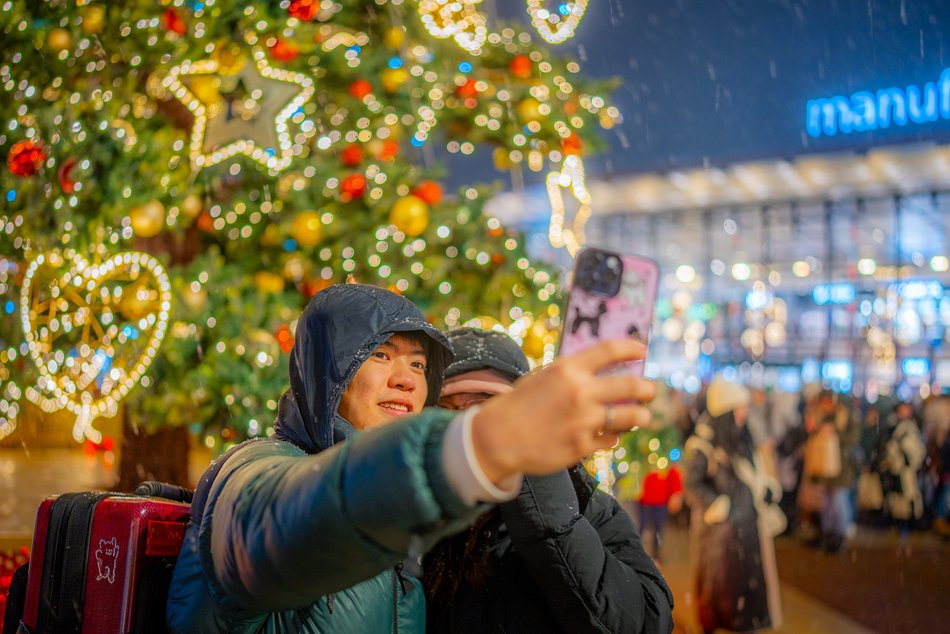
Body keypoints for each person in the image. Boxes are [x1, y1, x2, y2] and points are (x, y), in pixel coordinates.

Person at [167, 285, 655, 633]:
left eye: (418, 364)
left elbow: (641, 617)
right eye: (380, 354)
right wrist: (478, 447)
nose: (405, 378)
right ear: (327, 371)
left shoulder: (574, 503)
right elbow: (278, 526)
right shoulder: (258, 466)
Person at [423, 327, 674, 633]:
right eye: (447, 408)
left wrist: (539, 491)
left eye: (487, 409)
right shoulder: (411, 509)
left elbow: (646, 622)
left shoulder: (583, 501)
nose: (466, 423)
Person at [684, 376, 783, 634]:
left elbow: (749, 476)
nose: (744, 412)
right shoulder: (703, 444)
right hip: (720, 536)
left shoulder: (739, 439)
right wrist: (715, 502)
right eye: (739, 407)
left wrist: (766, 489)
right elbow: (691, 484)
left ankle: (743, 622)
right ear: (726, 411)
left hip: (746, 528)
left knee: (744, 590)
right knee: (721, 591)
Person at [803, 389, 860, 552]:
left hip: (840, 467)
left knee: (838, 501)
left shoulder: (845, 416)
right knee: (826, 502)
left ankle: (840, 534)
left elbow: (853, 437)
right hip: (822, 466)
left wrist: (834, 434)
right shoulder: (817, 416)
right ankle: (827, 534)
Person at [883, 401, 926, 551]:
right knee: (900, 496)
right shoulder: (895, 425)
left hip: (905, 469)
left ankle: (908, 524)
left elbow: (916, 449)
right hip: (899, 468)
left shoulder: (907, 427)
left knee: (908, 495)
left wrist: (910, 462)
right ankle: (901, 523)